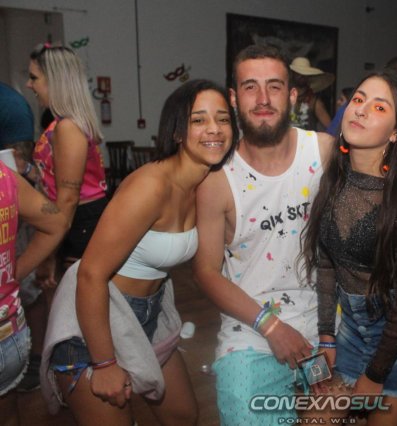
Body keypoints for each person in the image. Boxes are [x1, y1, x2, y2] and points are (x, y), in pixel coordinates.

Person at [40, 79, 236, 425]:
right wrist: (104, 364)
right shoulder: (150, 186)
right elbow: (90, 274)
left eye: (223, 119)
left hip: (150, 314)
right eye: (199, 119)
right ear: (177, 131)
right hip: (95, 319)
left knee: (183, 417)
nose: (214, 129)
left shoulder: (205, 184)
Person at [193, 44, 333, 425]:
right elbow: (205, 271)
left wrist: (332, 333)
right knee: (246, 413)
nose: (263, 99)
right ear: (234, 98)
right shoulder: (217, 180)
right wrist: (271, 326)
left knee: (335, 412)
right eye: (250, 87)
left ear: (292, 95)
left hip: (322, 331)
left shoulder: (323, 152)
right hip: (251, 331)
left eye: (274, 86)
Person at [301, 68, 397, 425]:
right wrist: (326, 336)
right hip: (351, 329)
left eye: (379, 107)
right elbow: (327, 264)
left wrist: (376, 375)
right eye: (358, 100)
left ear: (395, 132)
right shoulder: (334, 180)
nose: (361, 110)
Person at [26, 44, 108, 276]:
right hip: (70, 219)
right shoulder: (60, 124)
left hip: (78, 221)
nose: (29, 84)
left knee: (73, 293)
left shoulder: (68, 127)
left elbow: (69, 198)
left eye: (34, 78)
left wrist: (49, 252)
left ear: (55, 81)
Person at [0, 160, 68, 425]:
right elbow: (56, 222)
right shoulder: (5, 175)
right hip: (9, 335)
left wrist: (14, 273)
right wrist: (12, 274)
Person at [289, 57, 334, 131]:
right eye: (298, 73)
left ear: (308, 77)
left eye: (304, 74)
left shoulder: (314, 102)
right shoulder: (284, 98)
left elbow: (332, 128)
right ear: (292, 74)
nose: (301, 76)